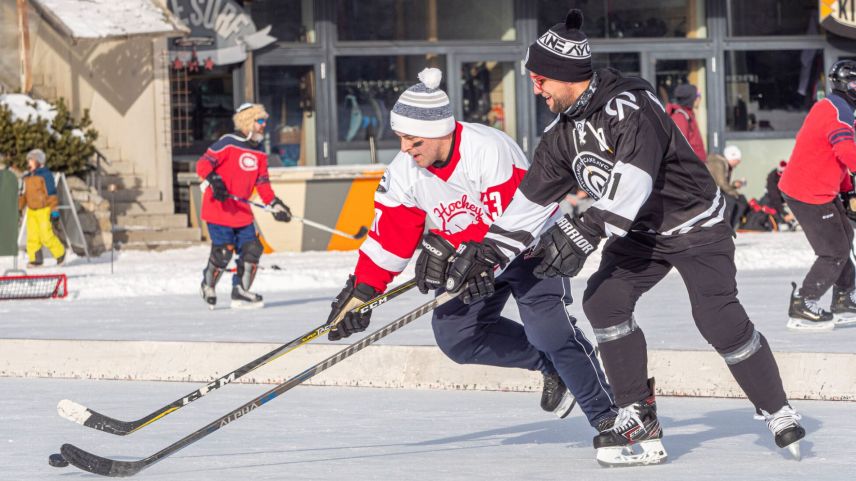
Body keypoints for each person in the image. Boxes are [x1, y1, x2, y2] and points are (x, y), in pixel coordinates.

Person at [443, 9, 805, 467]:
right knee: (603, 302)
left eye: (540, 79)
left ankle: (776, 409)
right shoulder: (561, 137)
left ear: (566, 75)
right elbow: (529, 204)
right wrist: (487, 253)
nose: (535, 88)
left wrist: (588, 227)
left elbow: (634, 178)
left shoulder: (632, 106)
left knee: (716, 318)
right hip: (640, 233)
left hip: (695, 226)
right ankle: (638, 414)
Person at [325, 67, 617, 429]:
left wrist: (452, 247)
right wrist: (363, 290)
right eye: (401, 138)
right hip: (469, 261)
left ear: (440, 132)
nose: (405, 149)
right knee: (456, 337)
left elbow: (511, 216)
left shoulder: (487, 148)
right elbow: (391, 234)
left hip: (529, 250)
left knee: (549, 333)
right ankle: (548, 365)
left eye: (414, 140)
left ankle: (608, 417)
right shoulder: (405, 171)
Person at [778, 59, 856, 330]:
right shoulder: (839, 111)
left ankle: (844, 298)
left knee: (845, 235)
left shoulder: (835, 106)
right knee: (833, 251)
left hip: (818, 187)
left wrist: (846, 190)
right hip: (808, 192)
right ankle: (803, 303)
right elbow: (845, 150)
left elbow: (836, 157)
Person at [196, 103, 292, 309]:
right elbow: (203, 164)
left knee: (252, 249)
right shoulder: (228, 143)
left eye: (264, 121)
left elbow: (263, 184)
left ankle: (241, 291)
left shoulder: (259, 153)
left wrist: (276, 205)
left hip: (241, 211)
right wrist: (215, 180)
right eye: (259, 121)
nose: (263, 125)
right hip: (219, 207)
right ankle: (208, 284)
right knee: (224, 252)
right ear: (247, 121)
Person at [17, 149, 65, 267]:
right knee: (32, 237)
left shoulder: (45, 175)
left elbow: (51, 194)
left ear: (39, 161)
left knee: (46, 235)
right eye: (29, 161)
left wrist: (54, 212)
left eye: (32, 160)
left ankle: (60, 253)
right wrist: (19, 208)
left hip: (44, 209)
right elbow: (23, 194)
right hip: (31, 211)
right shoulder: (27, 177)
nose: (29, 163)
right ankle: (35, 259)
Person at [707, 145, 748, 229]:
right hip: (708, 192)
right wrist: (735, 194)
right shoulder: (717, 162)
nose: (737, 164)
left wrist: (734, 185)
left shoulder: (725, 165)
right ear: (732, 158)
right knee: (732, 201)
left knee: (741, 200)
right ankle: (726, 227)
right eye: (737, 161)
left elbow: (722, 184)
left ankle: (731, 226)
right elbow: (721, 183)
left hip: (716, 191)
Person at [667, 83, 706, 161]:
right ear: (690, 98)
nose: (700, 98)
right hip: (691, 166)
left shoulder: (688, 115)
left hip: (697, 165)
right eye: (698, 95)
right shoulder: (680, 117)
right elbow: (680, 147)